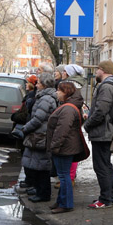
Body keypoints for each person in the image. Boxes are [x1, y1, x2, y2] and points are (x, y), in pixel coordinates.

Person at [84, 60, 113, 209]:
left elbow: (101, 111)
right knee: (105, 165)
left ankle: (106, 199)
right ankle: (108, 195)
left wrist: (88, 124)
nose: (96, 72)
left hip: (102, 132)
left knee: (101, 166)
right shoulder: (111, 85)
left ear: (103, 70)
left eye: (98, 69)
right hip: (105, 130)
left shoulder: (106, 87)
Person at [17, 73, 58, 202]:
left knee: (42, 167)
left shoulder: (46, 99)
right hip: (40, 135)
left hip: (40, 136)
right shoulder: (45, 97)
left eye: (39, 82)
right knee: (38, 165)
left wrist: (25, 128)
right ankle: (39, 190)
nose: (36, 85)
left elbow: (38, 119)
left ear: (44, 85)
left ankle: (43, 194)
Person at [47, 81, 85, 214]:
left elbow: (62, 130)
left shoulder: (68, 108)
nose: (56, 93)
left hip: (64, 147)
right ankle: (61, 201)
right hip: (66, 146)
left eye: (59, 90)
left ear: (66, 92)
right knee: (63, 175)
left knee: (64, 176)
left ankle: (66, 204)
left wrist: (54, 146)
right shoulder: (68, 106)